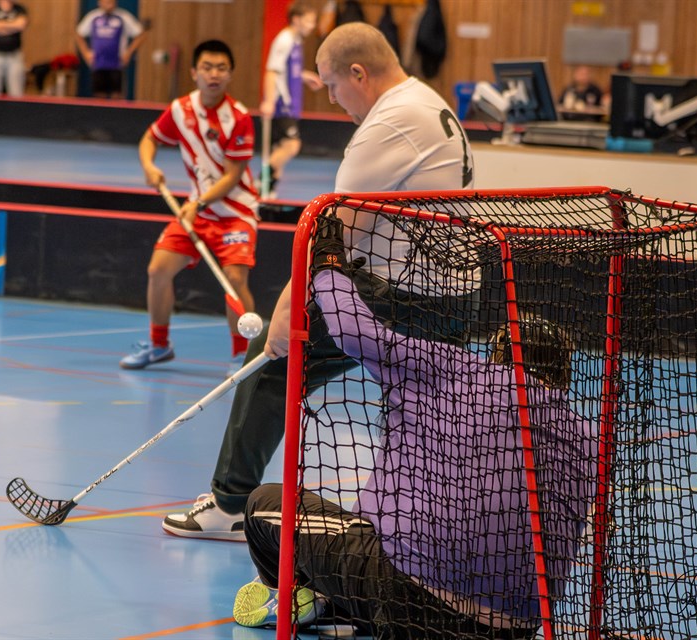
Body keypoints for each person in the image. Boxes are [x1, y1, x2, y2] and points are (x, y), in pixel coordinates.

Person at [162, 22, 475, 540]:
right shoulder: (426, 101)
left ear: (359, 73)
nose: (331, 98)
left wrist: (286, 314)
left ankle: (230, 503)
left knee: (272, 358)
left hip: (406, 299)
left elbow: (332, 233)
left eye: (332, 85)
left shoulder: (389, 123)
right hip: (452, 297)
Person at [232, 215, 596, 638]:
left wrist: (328, 263)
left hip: (409, 601)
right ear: (564, 376)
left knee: (263, 505)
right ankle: (335, 605)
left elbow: (353, 330)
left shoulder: (458, 370)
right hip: (516, 630)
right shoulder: (587, 439)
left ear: (498, 355)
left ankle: (304, 597)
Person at [120, 40, 259, 371]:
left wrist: (198, 202)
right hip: (197, 210)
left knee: (234, 279)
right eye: (207, 67)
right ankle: (158, 345)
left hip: (236, 213)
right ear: (195, 72)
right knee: (158, 270)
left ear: (230, 75)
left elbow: (232, 176)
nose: (214, 74)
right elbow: (150, 138)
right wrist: (149, 166)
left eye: (221, 68)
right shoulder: (180, 109)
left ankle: (243, 356)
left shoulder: (239, 118)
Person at [260, 2, 323, 198]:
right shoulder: (285, 40)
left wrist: (304, 76)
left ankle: (269, 190)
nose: (312, 26)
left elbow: (287, 70)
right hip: (282, 103)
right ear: (296, 19)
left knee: (280, 148)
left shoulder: (295, 41)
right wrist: (269, 101)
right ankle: (261, 179)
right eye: (309, 21)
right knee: (291, 145)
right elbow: (272, 71)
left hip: (292, 103)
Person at [75, 0, 148, 99]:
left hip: (117, 62)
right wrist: (86, 53)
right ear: (100, 2)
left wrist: (128, 53)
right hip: (98, 62)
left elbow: (140, 35)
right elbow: (79, 34)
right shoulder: (93, 17)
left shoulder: (123, 16)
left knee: (116, 94)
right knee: (99, 94)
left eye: (111, 1)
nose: (108, 3)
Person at [0, 0, 28, 101]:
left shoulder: (19, 9)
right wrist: (11, 26)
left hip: (14, 55)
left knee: (16, 92)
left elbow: (20, 25)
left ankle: (15, 110)